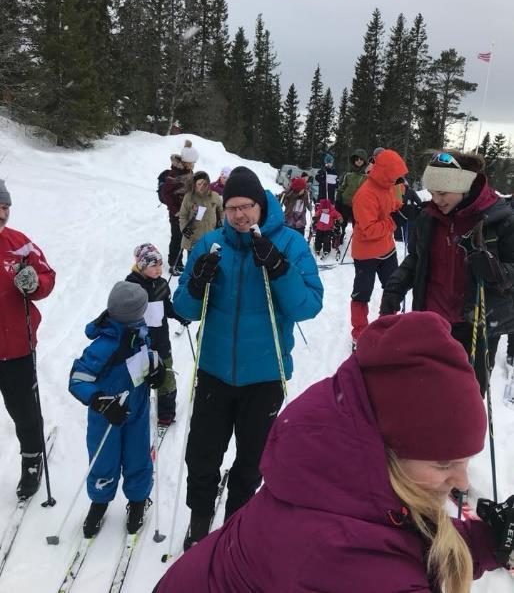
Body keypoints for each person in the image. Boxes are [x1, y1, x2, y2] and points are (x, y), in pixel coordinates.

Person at [154, 311, 514, 593]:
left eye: (465, 460)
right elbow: (369, 561)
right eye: (444, 463)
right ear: (386, 448)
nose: (462, 480)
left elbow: (391, 540)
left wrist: (488, 541)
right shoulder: (337, 556)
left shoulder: (336, 477)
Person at [172, 166, 323, 550]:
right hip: (214, 370)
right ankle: (199, 524)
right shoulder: (211, 246)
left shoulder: (289, 244)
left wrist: (278, 269)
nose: (240, 215)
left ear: (261, 205)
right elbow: (185, 310)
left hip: (265, 374)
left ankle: (236, 529)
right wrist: (194, 283)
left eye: (247, 207)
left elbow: (308, 306)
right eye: (233, 207)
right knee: (202, 456)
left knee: (251, 461)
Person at [380, 151, 514, 397]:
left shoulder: (499, 218)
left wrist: (497, 271)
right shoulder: (429, 217)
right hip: (431, 322)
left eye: (442, 193)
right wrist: (396, 286)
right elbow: (417, 259)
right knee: (425, 394)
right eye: (432, 192)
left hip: (474, 327)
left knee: (464, 402)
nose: (436, 199)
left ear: (463, 186)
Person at [69, 281, 164, 537]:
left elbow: (147, 356)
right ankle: (99, 504)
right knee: (104, 460)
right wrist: (100, 401)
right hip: (107, 416)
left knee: (138, 458)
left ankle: (137, 502)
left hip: (138, 409)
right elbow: (77, 379)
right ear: (133, 313)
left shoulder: (140, 332)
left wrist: (156, 368)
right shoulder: (105, 345)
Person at [0, 180, 56, 499]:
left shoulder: (19, 244)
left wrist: (34, 283)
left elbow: (47, 275)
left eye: (6, 207)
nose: (3, 213)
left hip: (18, 347)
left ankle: (32, 459)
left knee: (23, 410)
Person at [125, 243, 190, 425]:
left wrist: (180, 315)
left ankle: (166, 413)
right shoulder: (131, 286)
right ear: (141, 265)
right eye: (154, 266)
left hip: (161, 342)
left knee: (166, 376)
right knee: (141, 379)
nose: (159, 269)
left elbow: (167, 307)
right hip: (139, 346)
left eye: (161, 265)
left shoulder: (161, 285)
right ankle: (138, 412)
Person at [350, 148, 408, 347]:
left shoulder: (386, 186)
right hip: (366, 253)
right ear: (383, 173)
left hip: (387, 249)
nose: (395, 180)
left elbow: (390, 205)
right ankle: (359, 332)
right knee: (362, 292)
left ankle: (388, 323)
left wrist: (405, 208)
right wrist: (394, 222)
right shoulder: (364, 195)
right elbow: (369, 229)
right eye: (393, 176)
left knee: (393, 287)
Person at [158, 140, 199, 275]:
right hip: (176, 213)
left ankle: (181, 263)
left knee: (186, 236)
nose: (193, 164)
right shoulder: (174, 174)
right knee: (177, 237)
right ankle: (174, 264)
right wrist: (175, 211)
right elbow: (166, 193)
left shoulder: (188, 171)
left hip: (187, 211)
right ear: (186, 161)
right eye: (192, 162)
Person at [179, 171, 224, 255]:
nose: (201, 187)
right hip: (193, 237)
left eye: (204, 184)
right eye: (199, 184)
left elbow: (222, 210)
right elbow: (183, 215)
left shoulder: (215, 196)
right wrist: (184, 228)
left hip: (210, 236)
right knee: (193, 263)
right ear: (194, 184)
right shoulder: (189, 197)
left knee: (208, 263)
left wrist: (221, 221)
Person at [335, 148, 368, 237]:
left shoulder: (367, 177)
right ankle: (340, 236)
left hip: (358, 206)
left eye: (361, 159)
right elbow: (342, 187)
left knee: (356, 225)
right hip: (345, 203)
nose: (359, 161)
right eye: (357, 159)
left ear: (364, 161)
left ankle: (358, 239)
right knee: (342, 222)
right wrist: (338, 199)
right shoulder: (348, 174)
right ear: (353, 161)